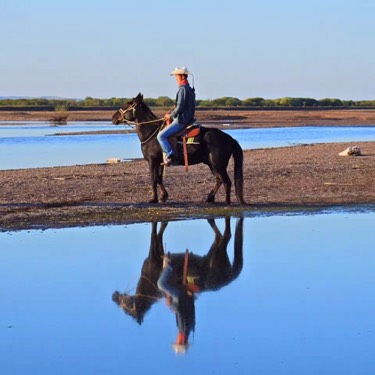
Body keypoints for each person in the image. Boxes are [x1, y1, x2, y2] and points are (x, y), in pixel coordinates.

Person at [157, 67, 196, 166]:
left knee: (160, 136)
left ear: (182, 76)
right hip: (188, 118)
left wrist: (170, 115)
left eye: (176, 76)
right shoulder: (189, 88)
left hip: (181, 120)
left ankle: (171, 155)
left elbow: (180, 106)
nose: (175, 78)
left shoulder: (183, 89)